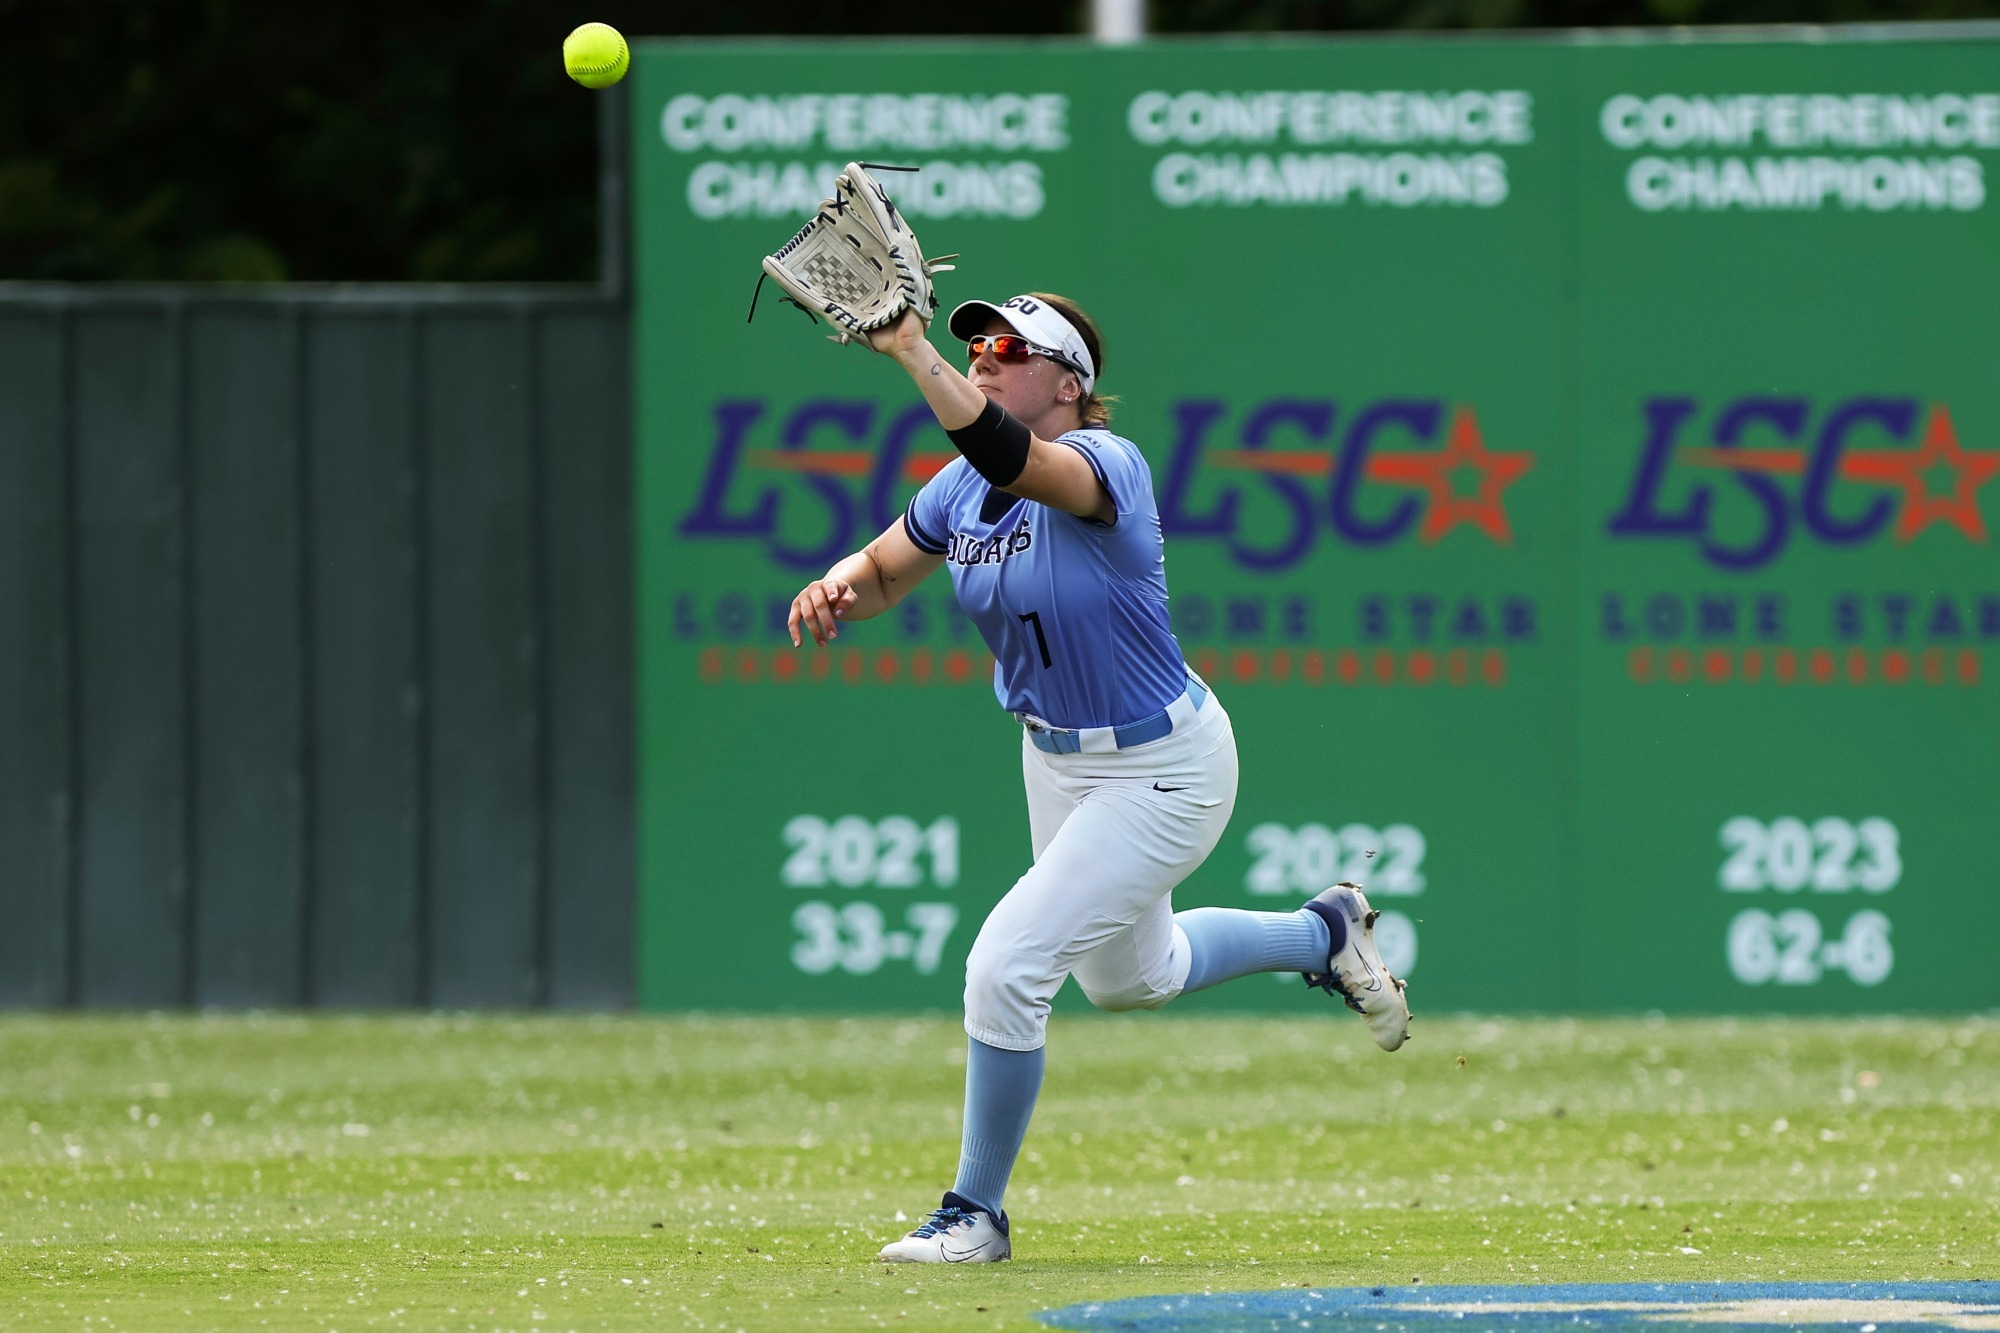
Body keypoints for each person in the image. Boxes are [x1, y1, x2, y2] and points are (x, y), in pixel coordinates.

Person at [785, 291, 1411, 1265]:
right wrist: (834, 586)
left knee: (1004, 967)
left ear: (1066, 382)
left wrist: (911, 351)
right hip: (1056, 758)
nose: (983, 356)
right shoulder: (959, 487)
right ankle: (1320, 932)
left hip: (1162, 768)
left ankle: (973, 1214)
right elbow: (883, 570)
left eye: (1005, 347)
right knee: (1130, 980)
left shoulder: (1104, 465)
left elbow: (1016, 459)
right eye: (974, 345)